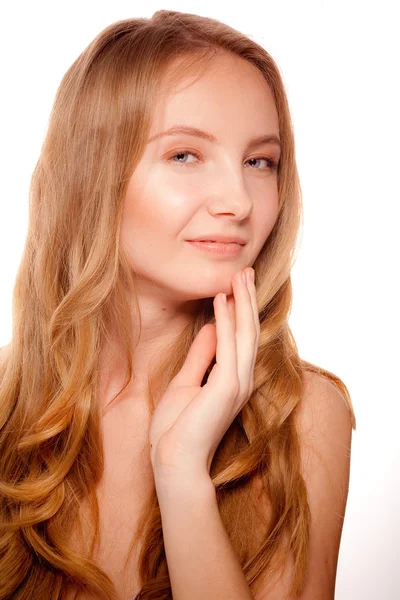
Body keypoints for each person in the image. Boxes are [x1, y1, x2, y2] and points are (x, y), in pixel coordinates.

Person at [0, 9, 356, 600]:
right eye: (185, 155)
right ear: (92, 174)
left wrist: (182, 472)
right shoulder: (9, 404)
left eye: (259, 161)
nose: (238, 201)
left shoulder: (302, 416)